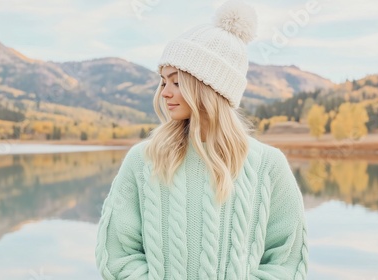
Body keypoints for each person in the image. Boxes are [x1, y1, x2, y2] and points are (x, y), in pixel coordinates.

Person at [95, 0, 308, 279]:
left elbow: (287, 261)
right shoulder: (143, 159)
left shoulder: (268, 165)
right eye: (162, 82)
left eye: (176, 81)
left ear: (208, 87)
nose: (165, 93)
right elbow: (118, 255)